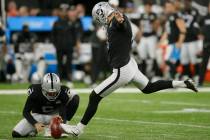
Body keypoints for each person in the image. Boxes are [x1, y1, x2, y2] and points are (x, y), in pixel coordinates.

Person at [60, 2, 198, 136]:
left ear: (101, 14)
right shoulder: (114, 20)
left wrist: (121, 20)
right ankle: (182, 83)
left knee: (94, 96)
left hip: (122, 70)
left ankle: (78, 129)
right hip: (129, 63)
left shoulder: (117, 20)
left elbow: (122, 23)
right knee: (148, 88)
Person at [12, 73, 79, 138]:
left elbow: (63, 111)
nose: (52, 95)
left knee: (75, 97)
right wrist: (35, 124)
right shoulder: (35, 91)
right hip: (38, 116)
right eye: (50, 93)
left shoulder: (63, 92)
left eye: (55, 93)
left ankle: (62, 127)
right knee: (16, 133)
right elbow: (25, 112)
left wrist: (62, 123)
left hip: (55, 117)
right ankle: (34, 130)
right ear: (43, 88)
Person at [52, 5, 81, 86]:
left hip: (69, 47)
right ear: (60, 12)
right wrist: (56, 45)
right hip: (59, 46)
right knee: (59, 63)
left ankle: (69, 80)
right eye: (62, 11)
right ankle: (59, 80)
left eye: (65, 11)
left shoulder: (71, 22)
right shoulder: (56, 23)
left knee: (69, 64)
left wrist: (74, 45)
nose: (64, 12)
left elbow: (74, 35)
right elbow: (53, 35)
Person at [159, 0, 186, 79]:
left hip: (175, 42)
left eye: (169, 7)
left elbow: (183, 29)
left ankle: (176, 76)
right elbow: (167, 31)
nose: (167, 8)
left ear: (173, 7)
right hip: (170, 42)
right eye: (166, 7)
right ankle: (175, 77)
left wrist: (180, 42)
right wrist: (161, 41)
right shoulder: (169, 16)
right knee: (170, 61)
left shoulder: (176, 15)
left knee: (169, 60)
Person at [136, 1, 161, 77]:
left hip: (151, 37)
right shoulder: (142, 15)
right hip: (143, 37)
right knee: (142, 56)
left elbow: (156, 28)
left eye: (149, 6)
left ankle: (156, 74)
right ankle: (143, 73)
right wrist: (139, 38)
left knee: (153, 56)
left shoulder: (154, 15)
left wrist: (152, 21)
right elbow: (141, 27)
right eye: (146, 6)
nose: (147, 8)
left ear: (151, 7)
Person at [180, 0, 200, 82]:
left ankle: (196, 75)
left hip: (192, 39)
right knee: (184, 58)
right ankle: (186, 75)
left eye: (187, 2)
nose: (186, 3)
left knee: (194, 58)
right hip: (183, 40)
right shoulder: (180, 12)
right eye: (185, 2)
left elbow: (198, 24)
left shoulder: (195, 11)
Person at [198, 2, 210, 86]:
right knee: (204, 63)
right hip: (206, 43)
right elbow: (197, 26)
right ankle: (200, 82)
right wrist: (199, 33)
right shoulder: (204, 18)